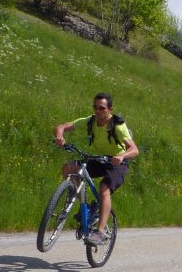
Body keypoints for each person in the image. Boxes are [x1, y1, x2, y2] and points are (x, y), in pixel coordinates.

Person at [53, 92, 139, 245]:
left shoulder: (117, 126)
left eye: (102, 108)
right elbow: (62, 126)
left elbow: (134, 149)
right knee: (68, 169)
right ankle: (81, 204)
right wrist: (60, 136)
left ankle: (99, 232)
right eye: (95, 107)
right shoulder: (90, 121)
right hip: (99, 159)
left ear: (110, 109)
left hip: (117, 163)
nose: (97, 111)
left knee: (104, 187)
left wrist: (122, 156)